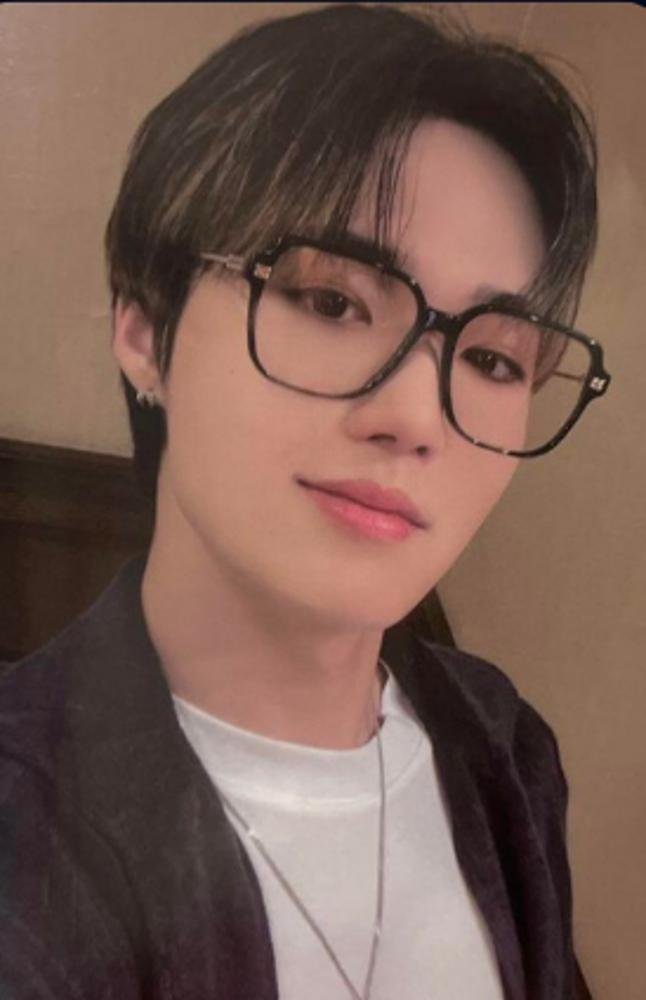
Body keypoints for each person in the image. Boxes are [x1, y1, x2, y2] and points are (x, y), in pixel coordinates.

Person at [0, 4, 612, 999]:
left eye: (494, 359)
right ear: (145, 329)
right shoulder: (26, 831)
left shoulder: (502, 743)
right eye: (331, 301)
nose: (416, 415)